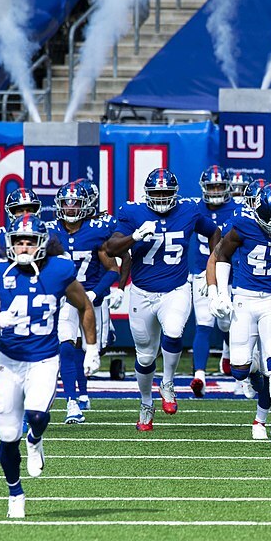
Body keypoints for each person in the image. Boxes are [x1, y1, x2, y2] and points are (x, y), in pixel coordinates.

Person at [0, 214, 98, 517]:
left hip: (44, 359)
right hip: (9, 361)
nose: (24, 246)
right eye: (19, 241)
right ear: (10, 244)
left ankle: (36, 439)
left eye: (30, 241)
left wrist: (92, 347)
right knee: (6, 437)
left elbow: (84, 305)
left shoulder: (59, 270)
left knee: (36, 414)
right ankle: (15, 491)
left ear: (42, 243)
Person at [105, 168, 220, 429]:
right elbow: (110, 248)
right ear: (147, 194)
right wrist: (134, 237)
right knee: (145, 357)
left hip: (176, 289)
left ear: (174, 194)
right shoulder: (132, 212)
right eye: (155, 193)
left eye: (165, 193)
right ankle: (146, 403)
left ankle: (168, 381)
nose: (160, 198)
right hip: (142, 292)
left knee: (175, 331)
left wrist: (211, 266)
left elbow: (214, 232)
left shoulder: (189, 210)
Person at [207, 184, 271, 449]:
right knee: (239, 369)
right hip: (244, 298)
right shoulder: (243, 223)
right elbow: (222, 256)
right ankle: (254, 373)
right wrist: (219, 293)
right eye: (268, 219)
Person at [49, 181, 119, 425]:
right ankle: (72, 402)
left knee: (91, 351)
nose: (69, 209)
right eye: (65, 204)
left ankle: (83, 391)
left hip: (91, 298)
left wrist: (95, 293)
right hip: (65, 298)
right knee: (66, 345)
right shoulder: (50, 232)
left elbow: (113, 270)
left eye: (75, 203)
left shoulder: (97, 230)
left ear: (86, 205)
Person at [189, 166, 237, 396]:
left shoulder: (237, 210)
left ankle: (229, 353)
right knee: (204, 323)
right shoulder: (194, 208)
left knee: (228, 323)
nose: (216, 190)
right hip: (201, 272)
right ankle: (200, 375)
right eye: (212, 186)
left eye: (219, 186)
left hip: (229, 273)